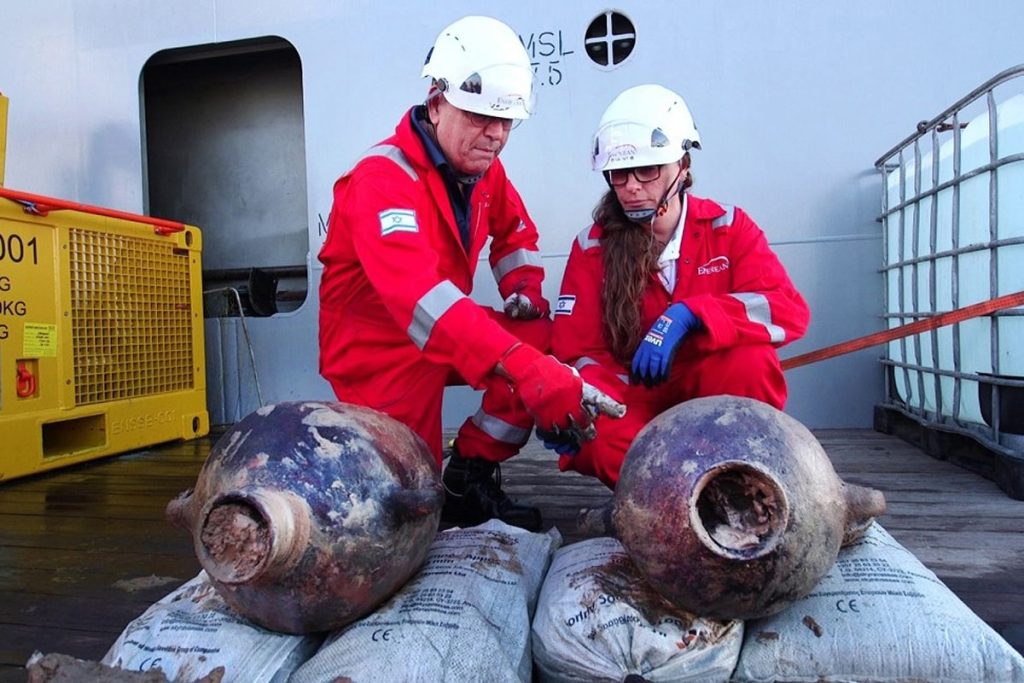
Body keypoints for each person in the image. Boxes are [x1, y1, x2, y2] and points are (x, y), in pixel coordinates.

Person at [318, 16, 615, 531]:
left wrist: (523, 290)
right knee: (408, 502)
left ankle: (470, 473)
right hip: (378, 352)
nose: (496, 135)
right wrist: (523, 367)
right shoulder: (379, 181)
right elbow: (420, 300)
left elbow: (515, 232)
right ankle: (433, 489)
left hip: (445, 329)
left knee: (543, 337)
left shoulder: (482, 169)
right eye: (480, 117)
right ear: (437, 103)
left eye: (506, 122)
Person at [549, 84, 811, 488]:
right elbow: (577, 351)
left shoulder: (727, 228)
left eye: (648, 170)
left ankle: (732, 478)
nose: (632, 185)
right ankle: (693, 498)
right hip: (635, 398)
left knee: (751, 361)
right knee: (596, 436)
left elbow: (787, 310)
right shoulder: (592, 247)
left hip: (711, 392)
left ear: (683, 166)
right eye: (619, 173)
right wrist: (599, 399)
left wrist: (692, 315)